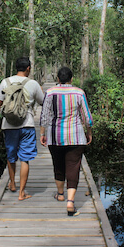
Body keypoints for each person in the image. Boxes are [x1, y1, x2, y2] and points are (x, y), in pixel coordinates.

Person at [40, 67, 93, 216]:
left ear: (58, 79)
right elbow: (87, 117)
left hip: (55, 136)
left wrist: (42, 133)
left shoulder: (50, 93)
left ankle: (60, 193)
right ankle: (70, 202)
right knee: (73, 166)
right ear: (71, 79)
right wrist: (88, 132)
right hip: (76, 137)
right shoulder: (79, 92)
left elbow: (44, 115)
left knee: (58, 164)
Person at [0, 57, 44, 201]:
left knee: (11, 155)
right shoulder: (33, 83)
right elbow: (43, 102)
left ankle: (13, 183)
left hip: (8, 125)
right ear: (28, 68)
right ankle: (22, 193)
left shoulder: (5, 82)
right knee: (25, 159)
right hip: (27, 125)